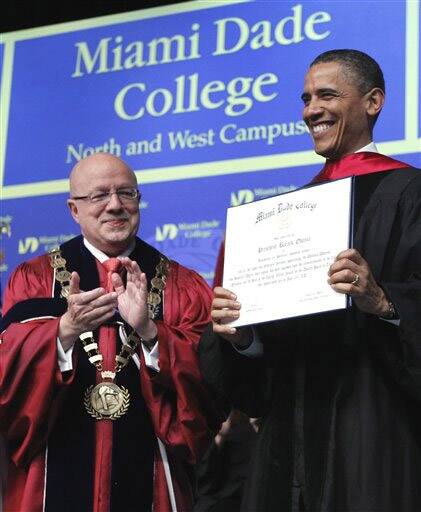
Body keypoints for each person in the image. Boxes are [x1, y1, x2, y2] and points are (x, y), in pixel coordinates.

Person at [199, 49, 421, 512]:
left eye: (326, 95)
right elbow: (257, 373)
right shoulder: (283, 216)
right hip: (286, 444)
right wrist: (243, 337)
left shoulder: (410, 193)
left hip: (376, 438)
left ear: (373, 102)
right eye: (305, 99)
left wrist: (382, 301)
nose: (311, 110)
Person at [0, 153, 223, 512]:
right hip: (50, 478)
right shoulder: (34, 280)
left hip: (154, 479)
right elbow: (7, 374)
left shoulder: (183, 286)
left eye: (126, 193)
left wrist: (152, 334)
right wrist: (63, 331)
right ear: (74, 210)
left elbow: (210, 388)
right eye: (99, 195)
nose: (115, 205)